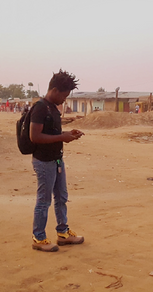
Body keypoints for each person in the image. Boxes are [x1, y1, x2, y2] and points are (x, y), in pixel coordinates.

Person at [29, 69, 84, 252]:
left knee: (61, 197)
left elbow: (53, 133)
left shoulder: (53, 108)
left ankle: (63, 233)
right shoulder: (40, 107)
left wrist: (68, 134)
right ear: (54, 90)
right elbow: (35, 136)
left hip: (57, 160)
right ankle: (39, 237)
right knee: (44, 200)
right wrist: (62, 137)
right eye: (64, 95)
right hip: (44, 162)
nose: (65, 99)